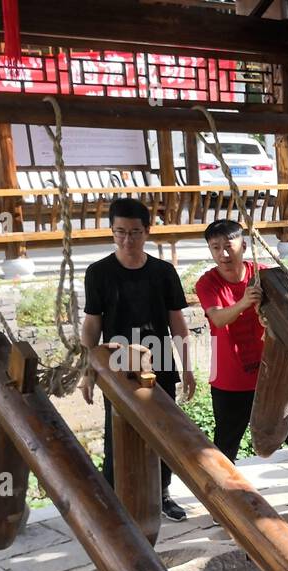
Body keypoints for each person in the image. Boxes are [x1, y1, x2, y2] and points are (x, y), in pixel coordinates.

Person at [193, 219, 288, 510]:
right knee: (226, 445)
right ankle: (221, 505)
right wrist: (243, 303)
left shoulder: (263, 275)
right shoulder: (207, 283)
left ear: (243, 246)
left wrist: (268, 313)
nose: (223, 254)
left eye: (229, 246)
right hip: (229, 379)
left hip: (271, 375)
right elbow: (218, 319)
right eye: (216, 248)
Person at [81, 197, 195, 522]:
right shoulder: (99, 272)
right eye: (120, 232)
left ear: (147, 231)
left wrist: (187, 367)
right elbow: (92, 323)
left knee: (163, 434)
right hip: (116, 364)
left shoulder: (163, 272)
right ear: (112, 231)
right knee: (115, 436)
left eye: (134, 232)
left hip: (159, 360)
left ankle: (161, 495)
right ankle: (113, 503)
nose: (127, 240)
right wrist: (88, 369)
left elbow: (177, 321)